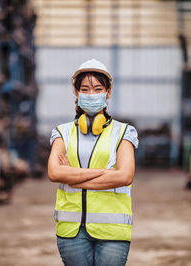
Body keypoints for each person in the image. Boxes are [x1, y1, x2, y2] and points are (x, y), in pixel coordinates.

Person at [47, 58, 138, 266]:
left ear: (108, 92)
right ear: (76, 93)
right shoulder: (62, 132)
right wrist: (106, 174)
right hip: (71, 232)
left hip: (113, 233)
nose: (91, 94)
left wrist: (74, 177)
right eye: (85, 89)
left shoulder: (124, 132)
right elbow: (54, 173)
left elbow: (125, 176)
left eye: (97, 88)